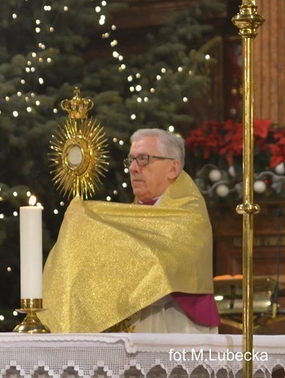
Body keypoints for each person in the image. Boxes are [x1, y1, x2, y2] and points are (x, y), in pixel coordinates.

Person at [39, 128, 220, 333]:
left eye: (143, 159)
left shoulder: (189, 213)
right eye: (131, 160)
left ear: (173, 168)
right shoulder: (134, 214)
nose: (133, 168)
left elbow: (163, 268)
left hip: (172, 327)